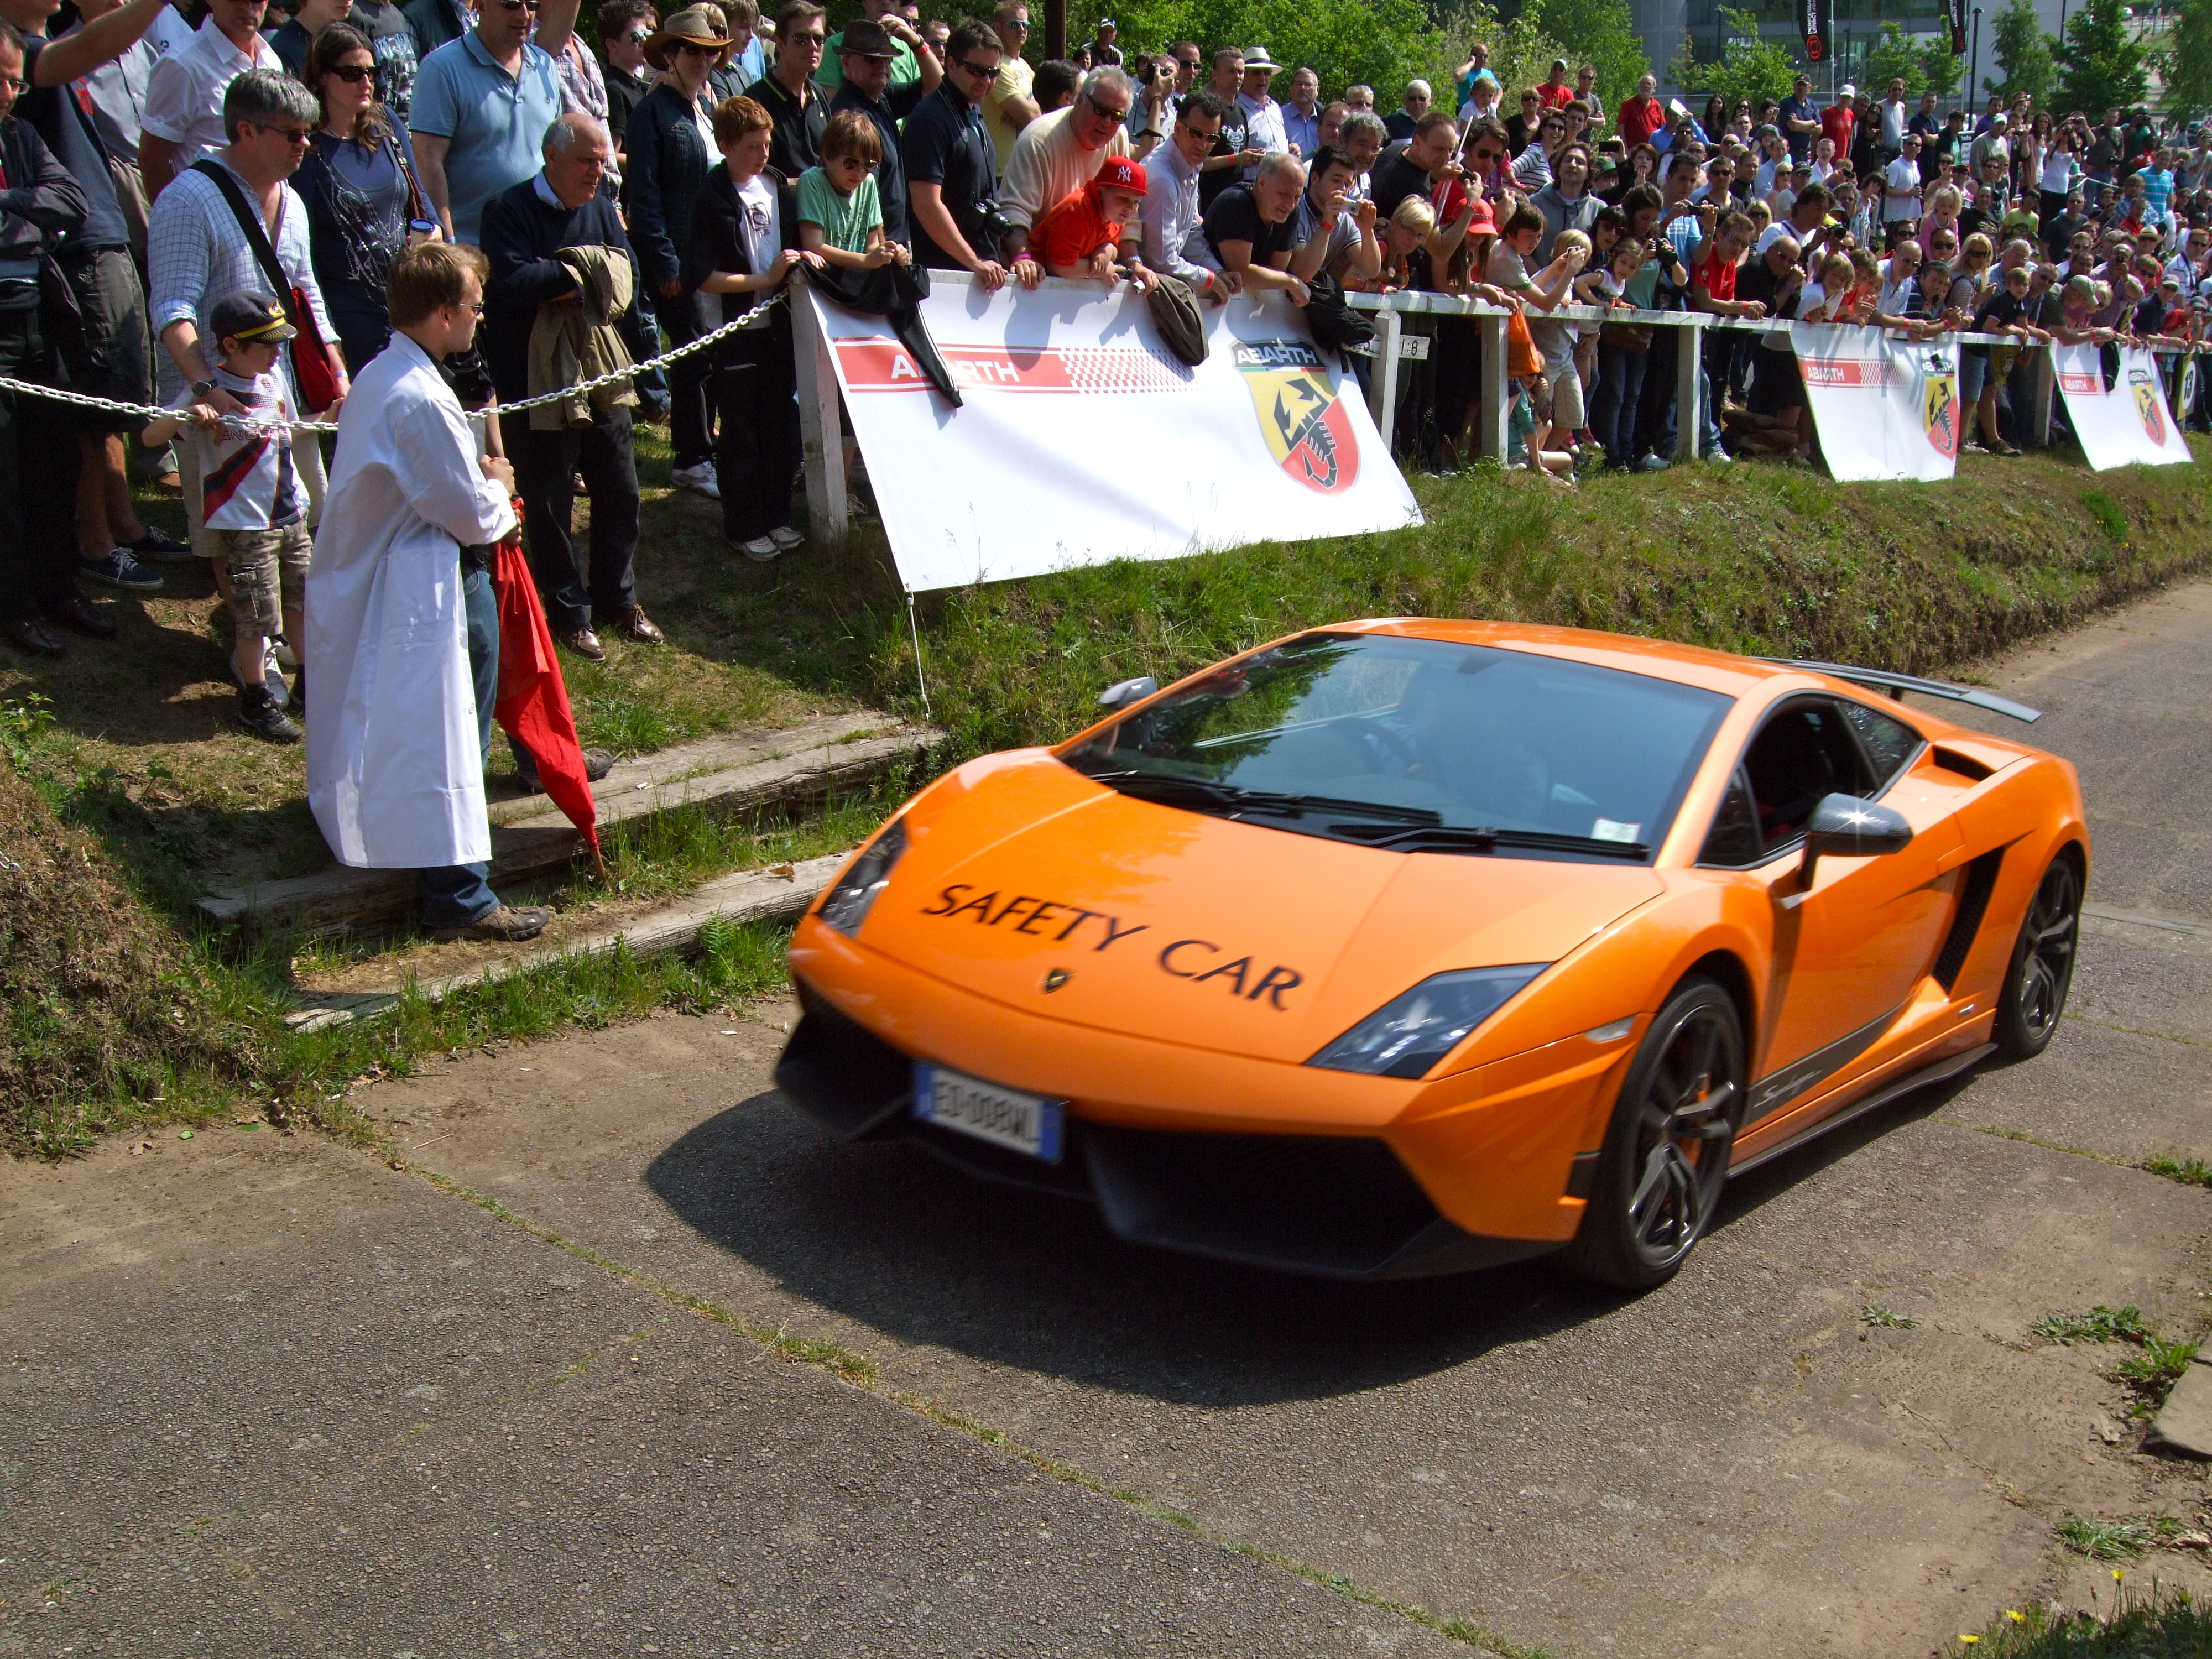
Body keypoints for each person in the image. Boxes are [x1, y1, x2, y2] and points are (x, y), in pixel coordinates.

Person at [307, 239, 552, 943]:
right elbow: (469, 514)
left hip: (399, 574)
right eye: (475, 307)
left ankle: (435, 865)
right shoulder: (419, 397)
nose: (480, 319)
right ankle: (460, 891)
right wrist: (500, 490)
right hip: (428, 584)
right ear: (444, 313)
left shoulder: (385, 375)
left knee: (420, 728)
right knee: (450, 734)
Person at [5, 0, 184, 591]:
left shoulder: (35, 40)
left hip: (99, 228)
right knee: (90, 400)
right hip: (75, 245)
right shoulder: (19, 50)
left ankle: (124, 524)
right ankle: (95, 541)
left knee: (112, 399)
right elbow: (78, 55)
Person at [148, 67, 348, 591]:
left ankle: (295, 640)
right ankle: (252, 655)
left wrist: (336, 365)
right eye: (293, 133)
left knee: (302, 525)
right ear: (246, 131)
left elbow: (307, 295)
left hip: (282, 400)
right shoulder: (187, 199)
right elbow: (172, 310)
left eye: (308, 131)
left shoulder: (295, 201)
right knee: (236, 540)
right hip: (219, 410)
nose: (305, 144)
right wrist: (204, 388)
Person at [479, 111, 656, 661]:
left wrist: (567, 274)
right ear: (551, 156)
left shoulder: (602, 208)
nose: (597, 172)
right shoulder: (507, 210)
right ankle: (569, 613)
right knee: (551, 498)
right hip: (534, 378)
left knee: (621, 489)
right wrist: (586, 272)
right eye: (586, 160)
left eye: (603, 161)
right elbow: (511, 283)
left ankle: (617, 599)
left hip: (600, 368)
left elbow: (624, 275)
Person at [141, 291, 311, 740]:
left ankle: (310, 686)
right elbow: (149, 437)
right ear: (232, 345)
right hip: (247, 524)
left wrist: (332, 414)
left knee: (303, 601)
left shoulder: (274, 381)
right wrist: (190, 412)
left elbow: (296, 428)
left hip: (290, 515)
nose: (278, 353)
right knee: (256, 616)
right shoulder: (207, 389)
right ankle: (255, 698)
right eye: (267, 344)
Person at [0, 19, 105, 660]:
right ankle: (15, 608)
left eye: (16, 79)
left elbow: (71, 199)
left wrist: (11, 204)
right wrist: (27, 209)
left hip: (37, 316)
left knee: (54, 458)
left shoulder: (20, 135)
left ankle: (57, 589)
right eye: (2, 79)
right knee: (4, 478)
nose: (12, 91)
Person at [685, 92, 816, 560]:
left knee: (778, 425)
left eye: (766, 145)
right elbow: (702, 276)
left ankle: (778, 515)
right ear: (724, 145)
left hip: (777, 328)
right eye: (751, 147)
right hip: (735, 330)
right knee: (741, 431)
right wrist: (764, 279)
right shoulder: (710, 195)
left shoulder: (777, 184)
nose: (763, 155)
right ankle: (744, 525)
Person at [625, 3, 735, 500]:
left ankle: (702, 447)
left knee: (709, 351)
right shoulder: (652, 112)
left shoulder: (705, 109)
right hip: (675, 257)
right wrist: (665, 262)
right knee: (693, 353)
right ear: (669, 54)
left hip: (711, 257)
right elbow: (642, 196)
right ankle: (690, 458)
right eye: (691, 50)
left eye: (709, 51)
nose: (701, 59)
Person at [295, 22, 431, 372]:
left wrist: (429, 239)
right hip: (350, 319)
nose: (366, 82)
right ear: (323, 76)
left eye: (372, 71)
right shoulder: (306, 149)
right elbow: (300, 251)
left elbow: (422, 202)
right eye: (353, 73)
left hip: (411, 307)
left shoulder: (385, 124)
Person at [405, 0, 570, 243]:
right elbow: (428, 163)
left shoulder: (545, 66)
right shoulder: (442, 69)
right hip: (474, 249)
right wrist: (449, 243)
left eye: (532, 4)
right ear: (481, 6)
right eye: (511, 5)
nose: (525, 15)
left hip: (539, 246)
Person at [900, 14, 1018, 286]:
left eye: (994, 73)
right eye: (977, 71)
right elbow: (927, 205)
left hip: (982, 270)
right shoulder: (930, 118)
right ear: (950, 64)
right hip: (946, 277)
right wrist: (974, 262)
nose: (986, 81)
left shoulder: (972, 108)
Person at [139, 0, 280, 193]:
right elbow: (152, 160)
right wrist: (177, 218)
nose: (247, 4)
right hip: (205, 214)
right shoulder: (182, 64)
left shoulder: (271, 61)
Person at [1001, 64, 1133, 264]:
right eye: (1101, 110)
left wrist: (1134, 261)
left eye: (1117, 116)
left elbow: (1128, 203)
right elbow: (1014, 211)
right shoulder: (1039, 139)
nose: (1107, 122)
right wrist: (1022, 257)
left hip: (1089, 264)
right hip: (1041, 265)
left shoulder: (1119, 137)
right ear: (1080, 101)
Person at [828, 15, 935, 248]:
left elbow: (935, 85)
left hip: (892, 244)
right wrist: (878, 247)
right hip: (874, 247)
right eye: (871, 59)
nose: (882, 66)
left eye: (887, 59)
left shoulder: (881, 98)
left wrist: (916, 43)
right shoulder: (850, 114)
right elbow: (858, 192)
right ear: (847, 63)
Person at [1138, 86, 1234, 296]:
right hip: (1141, 291)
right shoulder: (1162, 179)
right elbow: (1160, 261)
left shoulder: (1190, 163)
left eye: (1211, 138)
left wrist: (1216, 271)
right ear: (1178, 128)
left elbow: (1189, 229)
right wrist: (1209, 278)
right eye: (1196, 134)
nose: (1202, 144)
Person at [796, 106, 901, 266]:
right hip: (824, 277)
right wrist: (865, 261)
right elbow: (814, 246)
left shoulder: (868, 183)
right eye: (850, 163)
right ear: (828, 155)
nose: (859, 172)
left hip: (854, 278)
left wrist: (889, 254)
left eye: (869, 165)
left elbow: (872, 245)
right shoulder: (812, 181)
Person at [1201, 149, 1307, 303]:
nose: (1290, 205)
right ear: (1262, 183)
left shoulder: (1290, 212)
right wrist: (1290, 282)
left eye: (1297, 197)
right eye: (1284, 194)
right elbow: (1241, 273)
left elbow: (1277, 271)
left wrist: (1281, 278)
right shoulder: (1235, 203)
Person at [1031, 150, 1144, 281]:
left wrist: (1106, 251)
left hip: (1064, 282)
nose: (1131, 208)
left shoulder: (1116, 214)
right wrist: (1101, 271)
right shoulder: (1077, 210)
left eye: (1136, 202)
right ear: (1101, 192)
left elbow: (1112, 243)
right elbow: (1059, 266)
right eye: (1124, 198)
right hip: (1034, 279)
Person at [750, 0, 826, 178]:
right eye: (802, 39)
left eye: (819, 39)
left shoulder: (818, 94)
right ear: (781, 44)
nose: (813, 46)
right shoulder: (756, 101)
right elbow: (751, 175)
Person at [817, 0, 926, 91]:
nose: (885, 2)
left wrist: (918, 44)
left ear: (899, 4)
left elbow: (928, 91)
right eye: (870, 60)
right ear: (865, 2)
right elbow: (829, 105)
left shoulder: (909, 48)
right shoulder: (836, 44)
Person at [979, 0, 1032, 172]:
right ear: (997, 28)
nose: (1021, 29)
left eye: (1025, 25)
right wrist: (1026, 112)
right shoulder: (997, 66)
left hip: (1022, 166)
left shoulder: (1024, 65)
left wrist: (1023, 110)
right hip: (1000, 170)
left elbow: (1046, 110)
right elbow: (1032, 116)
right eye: (1014, 24)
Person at [597, 0, 655, 147]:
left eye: (647, 34)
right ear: (612, 45)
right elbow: (613, 156)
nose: (644, 41)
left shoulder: (639, 86)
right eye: (636, 37)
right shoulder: (614, 90)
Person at [1281, 65, 1318, 157]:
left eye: (1308, 84)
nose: (1303, 88)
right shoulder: (1280, 116)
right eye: (1298, 84)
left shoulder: (1324, 119)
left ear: (1317, 90)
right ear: (1291, 89)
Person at [1385, 77, 1428, 143]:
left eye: (1422, 99)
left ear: (1430, 101)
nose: (1417, 102)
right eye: (1412, 98)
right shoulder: (1391, 122)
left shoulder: (1433, 125)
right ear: (1405, 100)